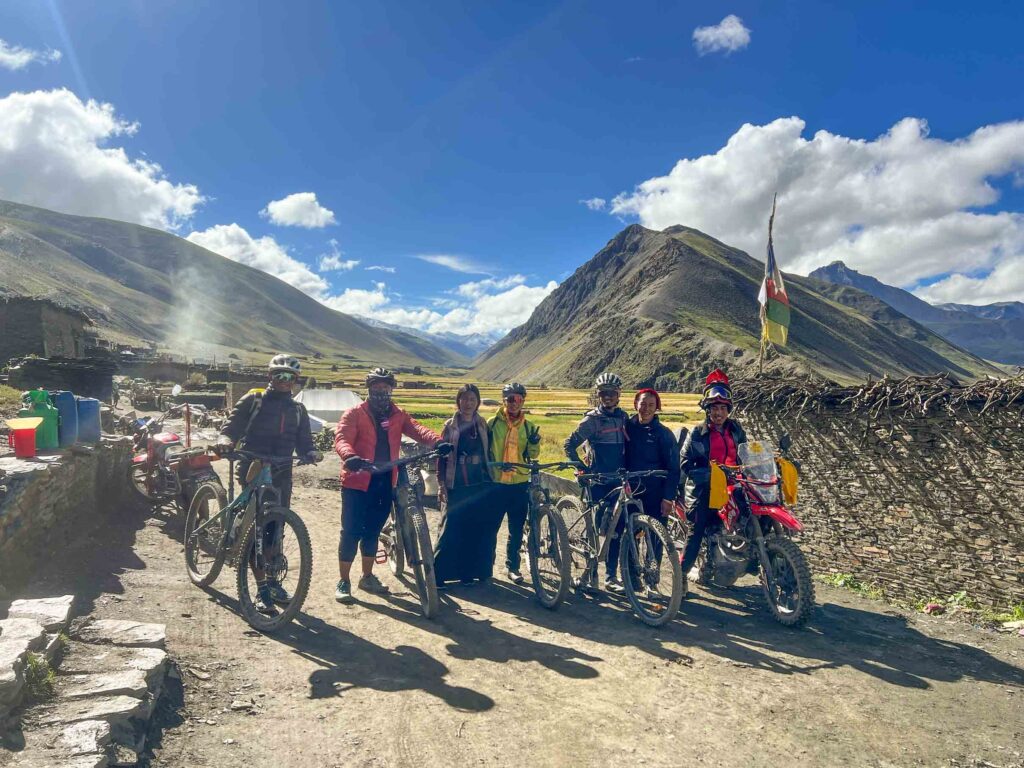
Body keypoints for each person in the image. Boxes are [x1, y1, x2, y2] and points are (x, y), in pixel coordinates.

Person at [218, 354, 322, 615]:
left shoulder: (298, 410)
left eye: (290, 377)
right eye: (279, 375)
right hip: (253, 466)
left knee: (276, 528)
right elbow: (231, 427)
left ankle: (273, 581)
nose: (284, 380)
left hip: (282, 471)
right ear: (270, 376)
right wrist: (225, 441)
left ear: (296, 381)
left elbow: (304, 441)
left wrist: (311, 453)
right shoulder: (254, 399)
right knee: (257, 528)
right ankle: (261, 587)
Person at [334, 367, 444, 604]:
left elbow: (417, 429)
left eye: (385, 387)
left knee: (373, 530)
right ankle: (343, 581)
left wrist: (438, 442)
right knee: (351, 531)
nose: (381, 391)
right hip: (357, 479)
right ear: (369, 389)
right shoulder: (354, 413)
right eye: (377, 387)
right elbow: (342, 438)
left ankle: (367, 576)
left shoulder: (397, 414)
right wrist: (349, 456)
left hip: (385, 480)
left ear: (391, 389)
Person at [679, 369, 747, 592]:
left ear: (728, 410)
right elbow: (685, 463)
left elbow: (745, 453)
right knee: (696, 530)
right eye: (714, 408)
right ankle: (680, 578)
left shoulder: (736, 429)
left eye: (722, 408)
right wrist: (709, 474)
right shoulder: (697, 433)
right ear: (708, 410)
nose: (718, 412)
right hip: (703, 489)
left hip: (732, 485)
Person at [564, 372, 629, 593]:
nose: (607, 397)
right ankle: (588, 574)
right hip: (597, 481)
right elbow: (569, 444)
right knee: (595, 529)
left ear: (619, 394)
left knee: (616, 529)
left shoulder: (624, 418)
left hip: (618, 480)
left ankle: (611, 577)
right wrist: (582, 469)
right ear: (598, 395)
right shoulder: (591, 420)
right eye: (603, 393)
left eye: (612, 393)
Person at [433, 384, 496, 586]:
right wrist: (441, 484)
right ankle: (438, 575)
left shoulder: (482, 424)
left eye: (472, 399)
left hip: (478, 482)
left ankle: (467, 574)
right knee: (450, 528)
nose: (468, 403)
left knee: (473, 527)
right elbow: (440, 457)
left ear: (477, 402)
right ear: (458, 401)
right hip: (456, 482)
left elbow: (489, 452)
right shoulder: (450, 426)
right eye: (464, 399)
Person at [487, 382, 542, 585]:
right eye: (511, 399)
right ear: (504, 400)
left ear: (523, 401)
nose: (514, 403)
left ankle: (513, 567)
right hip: (496, 483)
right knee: (491, 527)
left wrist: (534, 443)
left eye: (519, 399)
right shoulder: (492, 423)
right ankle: (486, 565)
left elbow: (532, 455)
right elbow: (485, 450)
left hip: (519, 482)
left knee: (516, 529)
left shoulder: (528, 426)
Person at [625, 387, 681, 533]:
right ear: (636, 404)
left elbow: (674, 468)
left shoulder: (664, 434)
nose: (646, 409)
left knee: (657, 536)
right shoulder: (626, 428)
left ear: (657, 407)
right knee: (629, 535)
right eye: (643, 404)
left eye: (651, 405)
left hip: (656, 493)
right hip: (630, 491)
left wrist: (668, 498)